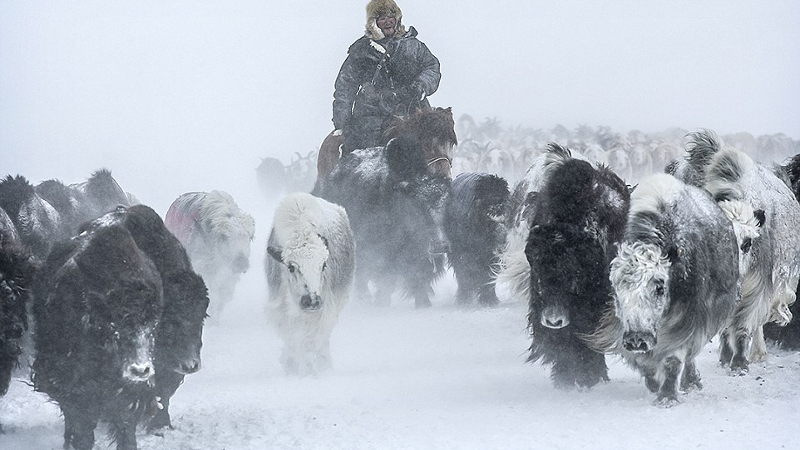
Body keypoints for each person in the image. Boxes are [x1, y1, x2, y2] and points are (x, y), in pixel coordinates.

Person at [332, 0, 442, 155]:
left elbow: (432, 67)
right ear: (373, 23)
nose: (388, 21)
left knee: (436, 142)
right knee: (364, 155)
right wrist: (342, 122)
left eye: (391, 16)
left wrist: (421, 86)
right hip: (372, 114)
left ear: (397, 19)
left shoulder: (413, 45)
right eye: (382, 17)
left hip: (412, 108)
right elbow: (345, 87)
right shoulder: (361, 51)